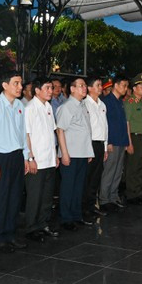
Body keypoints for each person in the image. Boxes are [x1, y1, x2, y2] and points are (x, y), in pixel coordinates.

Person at [0, 71, 30, 253]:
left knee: (14, 198)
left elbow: (23, 133)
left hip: (17, 156)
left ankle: (10, 234)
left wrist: (26, 156)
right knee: (0, 198)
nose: (20, 87)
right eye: (16, 83)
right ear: (5, 85)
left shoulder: (19, 105)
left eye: (20, 83)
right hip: (0, 157)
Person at [56, 76, 94, 232]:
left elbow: (86, 130)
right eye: (81, 86)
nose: (84, 88)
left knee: (79, 187)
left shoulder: (82, 105)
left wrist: (89, 150)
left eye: (85, 85)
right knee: (68, 187)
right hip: (70, 154)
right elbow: (60, 130)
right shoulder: (67, 107)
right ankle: (66, 218)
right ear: (72, 89)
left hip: (82, 153)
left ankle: (76, 215)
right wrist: (64, 153)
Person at [24, 78, 59, 241]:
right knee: (34, 196)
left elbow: (52, 133)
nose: (50, 91)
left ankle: (43, 224)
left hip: (49, 159)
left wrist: (55, 155)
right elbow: (27, 135)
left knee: (46, 196)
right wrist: (30, 157)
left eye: (51, 88)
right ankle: (31, 227)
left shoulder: (48, 107)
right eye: (47, 88)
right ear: (37, 90)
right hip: (36, 160)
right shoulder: (30, 108)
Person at [99, 75, 129, 211]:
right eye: (123, 85)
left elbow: (123, 123)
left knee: (118, 171)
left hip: (121, 141)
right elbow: (105, 124)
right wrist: (108, 142)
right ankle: (104, 199)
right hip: (112, 142)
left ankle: (113, 196)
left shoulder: (120, 102)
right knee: (109, 171)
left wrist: (126, 142)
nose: (125, 89)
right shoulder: (106, 101)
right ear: (116, 86)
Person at [124, 73, 142, 205]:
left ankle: (138, 192)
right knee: (133, 167)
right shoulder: (130, 103)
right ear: (134, 88)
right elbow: (127, 123)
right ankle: (131, 194)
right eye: (141, 86)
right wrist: (129, 143)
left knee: (141, 167)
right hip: (135, 138)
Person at [82, 75, 108, 217]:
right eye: (97, 85)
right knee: (87, 176)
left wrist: (104, 147)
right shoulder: (84, 104)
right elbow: (85, 128)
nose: (100, 87)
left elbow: (105, 127)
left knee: (96, 177)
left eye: (100, 85)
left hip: (99, 143)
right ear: (90, 88)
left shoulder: (102, 105)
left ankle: (92, 206)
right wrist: (86, 149)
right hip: (89, 144)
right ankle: (84, 207)